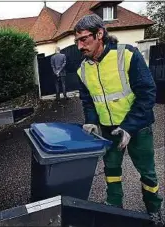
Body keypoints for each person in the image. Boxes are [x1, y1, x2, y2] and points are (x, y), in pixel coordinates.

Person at [74, 14, 164, 226]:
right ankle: (114, 207)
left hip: (138, 128)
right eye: (77, 41)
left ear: (100, 34)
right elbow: (88, 101)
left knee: (148, 172)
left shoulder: (127, 55)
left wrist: (129, 127)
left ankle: (153, 208)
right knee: (111, 170)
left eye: (84, 39)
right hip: (108, 130)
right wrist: (91, 121)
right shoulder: (83, 69)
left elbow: (148, 93)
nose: (79, 46)